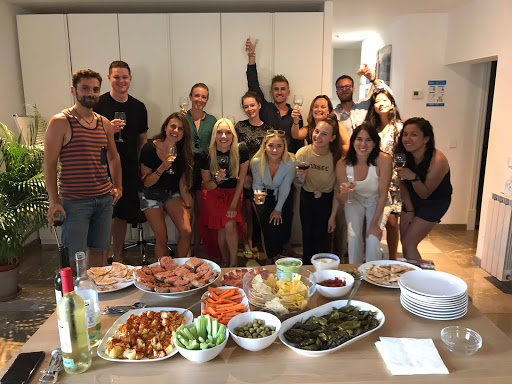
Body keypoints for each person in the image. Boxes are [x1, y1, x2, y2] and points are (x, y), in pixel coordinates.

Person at [44, 69, 122, 268]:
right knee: (74, 257)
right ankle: (75, 298)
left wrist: (118, 186)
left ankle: (94, 297)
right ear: (74, 90)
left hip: (103, 200)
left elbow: (113, 157)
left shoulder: (103, 123)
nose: (91, 93)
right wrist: (54, 201)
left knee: (99, 252)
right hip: (75, 202)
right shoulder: (60, 122)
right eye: (85, 88)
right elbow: (50, 164)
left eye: (95, 89)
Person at [245, 37, 301, 258]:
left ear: (288, 92)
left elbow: (298, 140)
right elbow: (252, 85)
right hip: (265, 166)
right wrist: (252, 57)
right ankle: (265, 245)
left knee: (287, 208)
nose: (279, 92)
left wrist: (296, 167)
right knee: (263, 207)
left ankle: (284, 243)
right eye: (276, 89)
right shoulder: (266, 108)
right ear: (272, 92)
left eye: (283, 89)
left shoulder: (296, 114)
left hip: (287, 167)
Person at [94, 60, 148, 263]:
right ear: (109, 78)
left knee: (122, 215)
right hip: (101, 167)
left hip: (128, 168)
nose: (121, 81)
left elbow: (143, 140)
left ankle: (117, 256)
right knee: (104, 215)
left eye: (125, 77)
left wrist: (142, 166)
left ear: (130, 79)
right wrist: (108, 130)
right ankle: (101, 257)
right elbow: (88, 135)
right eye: (116, 77)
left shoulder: (139, 107)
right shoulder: (98, 104)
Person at [395, 117, 452, 260]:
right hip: (411, 198)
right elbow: (402, 182)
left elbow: (425, 194)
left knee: (409, 243)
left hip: (434, 201)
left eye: (414, 134)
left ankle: (420, 280)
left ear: (426, 139)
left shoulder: (438, 160)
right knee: (405, 242)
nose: (407, 139)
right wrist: (410, 209)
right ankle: (410, 276)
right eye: (405, 134)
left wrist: (413, 177)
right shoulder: (401, 155)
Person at [139, 112, 193, 259]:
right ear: (165, 128)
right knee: (162, 237)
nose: (176, 131)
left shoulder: (182, 151)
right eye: (173, 126)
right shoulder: (150, 148)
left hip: (171, 193)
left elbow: (181, 179)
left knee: (186, 231)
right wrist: (162, 168)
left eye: (180, 128)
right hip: (151, 194)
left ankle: (180, 268)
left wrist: (187, 202)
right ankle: (163, 274)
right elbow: (147, 182)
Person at [336, 124, 393, 264]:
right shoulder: (342, 164)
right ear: (353, 141)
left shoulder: (384, 160)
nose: (363, 144)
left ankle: (373, 275)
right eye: (359, 139)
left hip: (378, 201)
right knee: (353, 238)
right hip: (354, 200)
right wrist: (343, 193)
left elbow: (383, 194)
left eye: (368, 140)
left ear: (375, 143)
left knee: (372, 239)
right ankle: (356, 274)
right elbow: (342, 200)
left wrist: (374, 224)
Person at [199, 119, 249, 267]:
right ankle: (225, 259)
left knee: (229, 223)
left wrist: (233, 205)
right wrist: (216, 180)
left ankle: (232, 262)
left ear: (233, 136)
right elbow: (208, 186)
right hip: (214, 194)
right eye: (219, 132)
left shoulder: (241, 150)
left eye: (228, 132)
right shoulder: (205, 154)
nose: (223, 136)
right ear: (214, 135)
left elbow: (241, 181)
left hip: (234, 192)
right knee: (221, 226)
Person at [295, 114, 342, 265]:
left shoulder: (336, 157)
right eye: (316, 132)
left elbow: (336, 189)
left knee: (324, 241)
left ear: (332, 138)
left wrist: (333, 216)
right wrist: (302, 176)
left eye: (324, 134)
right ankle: (307, 273)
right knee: (307, 237)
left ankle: (324, 276)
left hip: (327, 201)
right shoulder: (303, 153)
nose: (318, 136)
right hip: (307, 198)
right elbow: (297, 185)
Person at [363, 89, 402, 259]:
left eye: (385, 100)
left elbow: (402, 152)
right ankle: (369, 254)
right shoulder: (371, 128)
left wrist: (400, 169)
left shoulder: (400, 127)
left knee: (392, 223)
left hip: (394, 180)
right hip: (374, 177)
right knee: (370, 218)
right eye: (377, 101)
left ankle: (392, 258)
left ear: (392, 104)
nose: (381, 104)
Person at [235, 91, 273, 258]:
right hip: (242, 176)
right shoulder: (239, 127)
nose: (249, 109)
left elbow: (272, 154)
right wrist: (241, 176)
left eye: (252, 105)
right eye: (246, 106)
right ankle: (246, 242)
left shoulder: (268, 129)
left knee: (262, 214)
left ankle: (268, 248)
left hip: (261, 177)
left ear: (259, 105)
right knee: (245, 213)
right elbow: (234, 152)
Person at [251, 130, 296, 263]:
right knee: (267, 224)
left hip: (283, 194)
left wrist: (278, 209)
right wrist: (257, 194)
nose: (274, 150)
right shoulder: (257, 161)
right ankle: (272, 256)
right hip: (265, 193)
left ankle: (278, 253)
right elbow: (257, 183)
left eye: (279, 146)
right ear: (265, 146)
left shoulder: (290, 162)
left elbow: (285, 187)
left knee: (280, 222)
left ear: (284, 147)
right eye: (271, 145)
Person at [184, 83, 217, 257]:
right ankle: (187, 248)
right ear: (190, 97)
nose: (200, 100)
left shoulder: (212, 120)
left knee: (200, 211)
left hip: (204, 168)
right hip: (186, 168)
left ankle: (198, 247)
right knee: (187, 210)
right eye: (197, 96)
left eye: (203, 97)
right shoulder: (182, 117)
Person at [333, 66, 391, 136]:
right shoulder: (333, 115)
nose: (344, 89)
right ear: (337, 92)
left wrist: (372, 79)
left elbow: (386, 94)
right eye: (340, 87)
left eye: (347, 86)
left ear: (353, 90)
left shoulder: (365, 105)